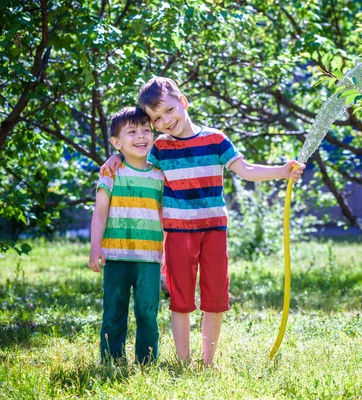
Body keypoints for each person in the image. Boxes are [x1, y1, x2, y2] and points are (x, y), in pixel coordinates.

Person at [100, 77, 305, 366]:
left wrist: (281, 171)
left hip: (213, 231)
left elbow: (245, 170)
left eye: (170, 111)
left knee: (215, 297)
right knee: (180, 298)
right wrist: (115, 158)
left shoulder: (216, 140)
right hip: (177, 233)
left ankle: (207, 362)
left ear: (183, 101)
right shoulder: (160, 150)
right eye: (157, 119)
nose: (166, 121)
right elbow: (137, 164)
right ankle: (184, 361)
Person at [88, 106, 165, 364]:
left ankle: (148, 361)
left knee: (148, 313)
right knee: (114, 310)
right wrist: (94, 248)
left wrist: (166, 250)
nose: (141, 136)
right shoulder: (110, 172)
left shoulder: (159, 175)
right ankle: (111, 359)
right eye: (132, 132)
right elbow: (99, 213)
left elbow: (164, 214)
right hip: (116, 256)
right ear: (116, 142)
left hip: (150, 257)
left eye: (146, 130)